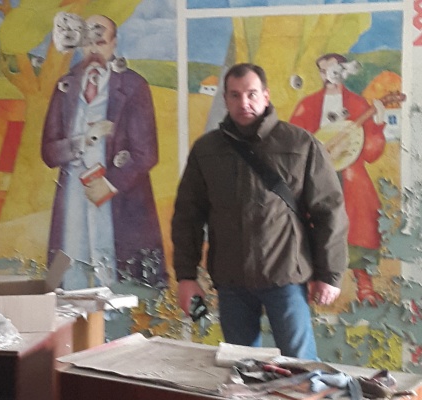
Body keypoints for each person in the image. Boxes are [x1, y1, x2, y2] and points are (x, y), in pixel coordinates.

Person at [172, 63, 349, 360]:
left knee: (300, 366)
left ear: (266, 96)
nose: (244, 102)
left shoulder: (300, 143)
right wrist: (186, 276)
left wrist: (330, 273)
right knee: (241, 367)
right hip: (231, 280)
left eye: (251, 94)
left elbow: (329, 211)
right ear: (226, 99)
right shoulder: (207, 150)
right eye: (235, 95)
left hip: (286, 275)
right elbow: (187, 216)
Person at [42, 14, 167, 289]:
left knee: (116, 274)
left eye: (101, 42)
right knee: (71, 274)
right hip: (73, 197)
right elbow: (49, 153)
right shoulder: (65, 87)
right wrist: (81, 142)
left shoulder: (134, 86)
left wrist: (109, 184)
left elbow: (146, 153)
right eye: (88, 43)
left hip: (120, 198)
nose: (94, 50)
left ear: (114, 43)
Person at [290, 53, 386, 306]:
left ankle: (364, 286)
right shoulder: (308, 105)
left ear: (343, 71)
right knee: (311, 226)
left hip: (351, 178)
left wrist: (377, 123)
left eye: (332, 70)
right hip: (316, 177)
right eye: (323, 71)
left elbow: (371, 153)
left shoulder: (358, 104)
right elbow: (294, 144)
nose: (327, 76)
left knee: (360, 224)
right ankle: (308, 285)